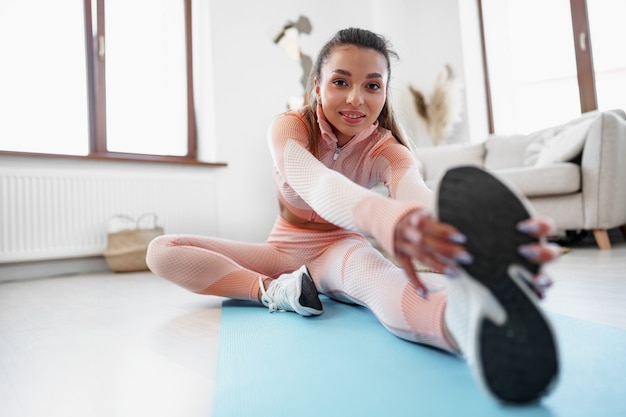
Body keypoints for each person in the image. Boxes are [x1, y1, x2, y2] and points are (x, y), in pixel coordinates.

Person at [146, 27, 560, 403]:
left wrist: (452, 230)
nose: (356, 98)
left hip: (338, 250)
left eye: (372, 85)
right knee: (162, 251)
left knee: (381, 283)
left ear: (384, 93)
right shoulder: (289, 128)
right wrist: (389, 221)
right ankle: (274, 292)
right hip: (280, 253)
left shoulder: (388, 149)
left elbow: (414, 192)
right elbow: (318, 185)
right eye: (341, 82)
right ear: (317, 86)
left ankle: (467, 326)